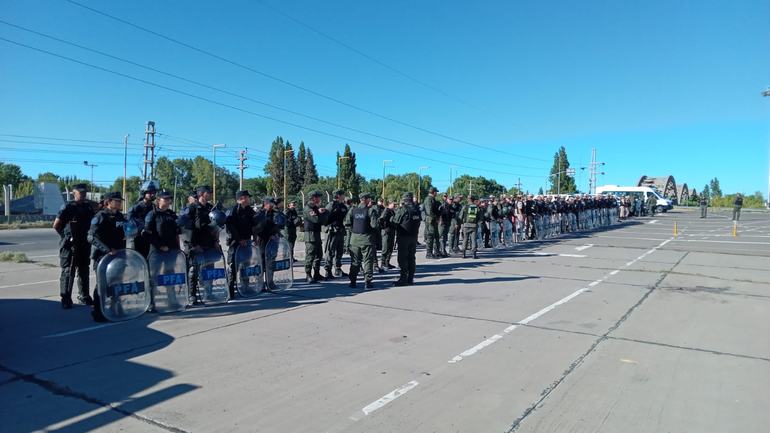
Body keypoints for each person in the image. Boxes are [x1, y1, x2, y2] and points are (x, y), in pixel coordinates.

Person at [53, 183, 96, 309]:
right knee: (67, 270)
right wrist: (65, 236)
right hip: (69, 244)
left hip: (83, 243)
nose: (83, 194)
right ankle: (65, 298)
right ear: (74, 193)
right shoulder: (67, 207)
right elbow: (56, 225)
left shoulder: (88, 207)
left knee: (83, 270)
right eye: (80, 192)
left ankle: (84, 296)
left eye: (84, 192)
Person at [87, 191, 126, 322]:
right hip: (103, 257)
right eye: (117, 201)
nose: (120, 203)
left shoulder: (120, 216)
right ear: (109, 201)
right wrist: (107, 249)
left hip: (119, 256)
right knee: (102, 285)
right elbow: (91, 236)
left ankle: (116, 309)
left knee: (117, 284)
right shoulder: (101, 216)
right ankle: (98, 311)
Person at [141, 190, 180, 311]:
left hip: (171, 250)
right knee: (154, 276)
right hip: (156, 251)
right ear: (159, 201)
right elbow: (145, 234)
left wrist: (178, 249)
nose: (168, 201)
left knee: (170, 275)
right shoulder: (152, 215)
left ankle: (171, 300)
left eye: (169, 199)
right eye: (165, 199)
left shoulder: (172, 214)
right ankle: (151, 303)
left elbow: (177, 233)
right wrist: (160, 246)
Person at [187, 185, 219, 304]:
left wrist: (216, 241)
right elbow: (187, 230)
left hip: (209, 244)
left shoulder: (211, 208)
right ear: (201, 194)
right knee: (193, 271)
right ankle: (192, 296)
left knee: (209, 270)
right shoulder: (192, 208)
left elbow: (216, 227)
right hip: (196, 245)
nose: (211, 194)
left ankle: (208, 293)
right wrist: (194, 245)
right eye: (209, 193)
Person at [343, 192, 380, 289]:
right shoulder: (370, 210)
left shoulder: (353, 210)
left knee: (355, 261)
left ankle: (353, 281)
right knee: (368, 260)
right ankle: (367, 281)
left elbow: (346, 223)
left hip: (355, 239)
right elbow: (374, 225)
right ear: (367, 200)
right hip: (367, 239)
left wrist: (353, 231)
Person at [224, 190, 255, 298]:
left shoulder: (249, 210)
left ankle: (245, 287)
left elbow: (253, 224)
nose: (250, 199)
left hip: (247, 242)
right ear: (242, 198)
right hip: (236, 243)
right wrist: (239, 239)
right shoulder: (233, 209)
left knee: (246, 266)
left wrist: (254, 237)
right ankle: (230, 291)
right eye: (248, 197)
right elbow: (230, 226)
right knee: (233, 267)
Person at [254, 196, 284, 291]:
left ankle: (270, 283)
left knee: (271, 262)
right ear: (265, 204)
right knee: (262, 262)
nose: (271, 206)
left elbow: (274, 225)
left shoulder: (273, 213)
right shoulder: (260, 214)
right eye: (270, 205)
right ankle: (260, 283)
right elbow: (257, 230)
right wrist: (268, 235)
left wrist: (278, 232)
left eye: (272, 205)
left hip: (272, 241)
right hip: (262, 241)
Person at [392, 192, 421, 286]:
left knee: (403, 258)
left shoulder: (403, 209)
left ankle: (403, 279)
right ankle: (410, 278)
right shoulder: (417, 209)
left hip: (404, 236)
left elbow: (396, 221)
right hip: (413, 236)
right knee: (411, 258)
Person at [126, 180, 158, 258]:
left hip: (152, 241)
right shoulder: (135, 208)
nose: (152, 194)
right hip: (139, 241)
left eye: (153, 192)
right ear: (143, 193)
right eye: (150, 193)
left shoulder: (155, 208)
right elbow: (129, 226)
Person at [303, 190, 328, 283]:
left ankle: (316, 274)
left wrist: (321, 212)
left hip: (316, 234)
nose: (320, 199)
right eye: (318, 197)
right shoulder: (308, 208)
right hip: (310, 235)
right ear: (314, 198)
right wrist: (321, 213)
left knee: (319, 255)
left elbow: (323, 221)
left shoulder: (315, 208)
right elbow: (316, 219)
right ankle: (308, 274)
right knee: (310, 256)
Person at [323, 189, 349, 279]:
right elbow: (325, 217)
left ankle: (337, 268)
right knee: (330, 250)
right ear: (338, 195)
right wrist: (328, 227)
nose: (343, 196)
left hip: (340, 230)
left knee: (339, 251)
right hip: (332, 231)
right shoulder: (331, 205)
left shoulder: (342, 205)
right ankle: (328, 269)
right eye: (342, 194)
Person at [380, 198, 397, 269]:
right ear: (389, 204)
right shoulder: (386, 211)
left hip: (391, 231)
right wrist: (384, 227)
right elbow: (381, 220)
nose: (395, 206)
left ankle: (387, 262)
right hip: (386, 232)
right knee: (385, 248)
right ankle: (383, 263)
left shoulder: (392, 211)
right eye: (394, 204)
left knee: (390, 248)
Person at [423, 187, 440, 258]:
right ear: (433, 192)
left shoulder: (433, 199)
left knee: (436, 236)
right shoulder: (428, 199)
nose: (436, 193)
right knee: (430, 236)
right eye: (436, 192)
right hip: (430, 220)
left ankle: (436, 252)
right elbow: (429, 211)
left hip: (434, 220)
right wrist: (436, 217)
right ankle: (429, 253)